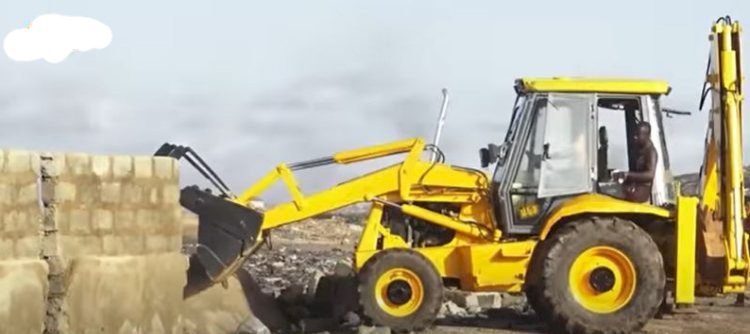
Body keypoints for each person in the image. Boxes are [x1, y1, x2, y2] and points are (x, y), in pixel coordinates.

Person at [614, 122, 657, 203]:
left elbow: (650, 175)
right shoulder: (639, 149)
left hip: (642, 192)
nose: (635, 137)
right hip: (633, 187)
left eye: (638, 134)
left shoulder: (651, 152)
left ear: (647, 136)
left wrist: (628, 175)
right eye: (635, 134)